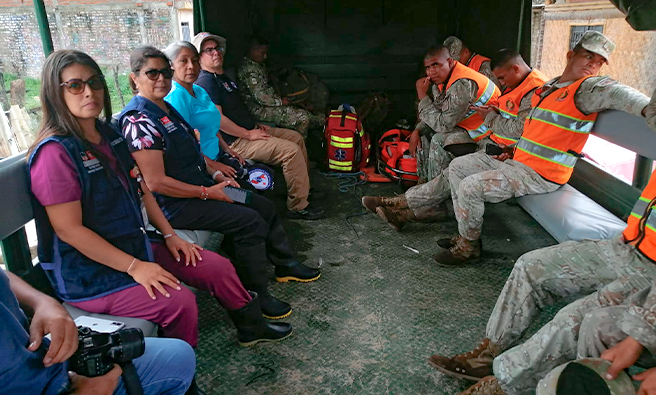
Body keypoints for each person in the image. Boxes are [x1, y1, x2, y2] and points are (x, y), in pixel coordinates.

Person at [426, 44, 656, 395]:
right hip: (626, 245)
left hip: (641, 263)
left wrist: (644, 107)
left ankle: (502, 382)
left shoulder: (590, 88)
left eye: (600, 61)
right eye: (588, 56)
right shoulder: (549, 89)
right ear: (572, 55)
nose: (594, 64)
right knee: (528, 265)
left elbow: (622, 96)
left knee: (577, 321)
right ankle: (491, 351)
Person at [27, 49, 291, 350]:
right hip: (109, 259)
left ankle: (259, 308)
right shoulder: (66, 150)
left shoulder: (127, 126)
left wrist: (174, 230)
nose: (89, 92)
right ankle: (180, 372)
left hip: (160, 223)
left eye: (95, 82)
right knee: (243, 224)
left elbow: (144, 183)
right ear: (134, 79)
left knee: (240, 234)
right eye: (75, 85)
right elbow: (73, 228)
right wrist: (136, 266)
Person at [118, 46, 320, 321]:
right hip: (178, 204)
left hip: (203, 187)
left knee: (261, 204)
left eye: (165, 72)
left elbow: (192, 151)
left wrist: (214, 174)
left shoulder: (165, 107)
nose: (161, 79)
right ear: (134, 79)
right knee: (249, 222)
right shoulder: (139, 120)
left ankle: (285, 265)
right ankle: (257, 297)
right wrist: (206, 191)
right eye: (152, 73)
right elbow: (155, 183)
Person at [362, 50, 546, 227]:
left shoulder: (464, 83)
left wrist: (421, 96)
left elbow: (443, 124)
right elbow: (438, 114)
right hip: (491, 142)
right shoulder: (444, 82)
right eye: (427, 67)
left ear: (450, 62)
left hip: (490, 143)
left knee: (442, 150)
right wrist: (417, 130)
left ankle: (404, 204)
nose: (431, 71)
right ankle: (416, 204)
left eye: (436, 65)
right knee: (442, 157)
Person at [164, 37, 324, 220]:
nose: (215, 53)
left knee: (295, 138)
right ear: (172, 67)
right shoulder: (199, 86)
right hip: (228, 149)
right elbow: (193, 139)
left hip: (233, 144)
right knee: (290, 153)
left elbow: (213, 122)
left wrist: (247, 131)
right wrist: (246, 135)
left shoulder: (206, 86)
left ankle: (302, 190)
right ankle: (297, 206)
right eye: (208, 50)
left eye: (217, 48)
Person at [0, 268, 196, 395]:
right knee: (178, 305)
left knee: (178, 354)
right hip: (42, 386)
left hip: (47, 358)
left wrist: (42, 302)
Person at [237, 34, 325, 138]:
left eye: (266, 53)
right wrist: (280, 102)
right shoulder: (249, 70)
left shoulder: (257, 65)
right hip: (258, 109)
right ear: (252, 50)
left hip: (267, 104)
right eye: (262, 53)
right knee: (302, 118)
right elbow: (261, 96)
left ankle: (323, 121)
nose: (265, 56)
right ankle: (297, 149)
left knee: (304, 111)